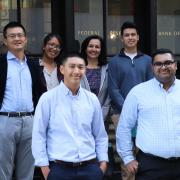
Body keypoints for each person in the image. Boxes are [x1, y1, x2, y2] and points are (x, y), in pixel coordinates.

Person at [32, 53, 108, 180]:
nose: (76, 71)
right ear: (62, 69)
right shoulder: (48, 99)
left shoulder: (92, 99)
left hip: (90, 168)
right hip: (59, 169)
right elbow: (38, 135)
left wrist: (103, 164)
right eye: (72, 66)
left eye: (81, 67)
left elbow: (100, 135)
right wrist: (45, 169)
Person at [116, 48, 180, 180]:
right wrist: (128, 158)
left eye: (168, 62)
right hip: (150, 166)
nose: (163, 67)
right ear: (152, 67)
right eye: (158, 64)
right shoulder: (138, 92)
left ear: (175, 65)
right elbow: (124, 127)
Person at [0, 22, 45, 180]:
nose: (17, 38)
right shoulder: (1, 63)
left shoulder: (33, 65)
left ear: (25, 39)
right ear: (5, 40)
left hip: (29, 121)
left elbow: (40, 92)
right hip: (5, 120)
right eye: (12, 36)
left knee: (27, 171)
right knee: (2, 170)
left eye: (20, 35)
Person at [108, 21, 153, 180]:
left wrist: (140, 109)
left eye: (133, 34)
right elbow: (113, 90)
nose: (130, 37)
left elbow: (151, 86)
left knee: (144, 153)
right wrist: (128, 109)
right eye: (127, 35)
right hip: (120, 114)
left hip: (144, 114)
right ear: (121, 38)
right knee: (125, 157)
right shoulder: (114, 62)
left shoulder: (148, 60)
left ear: (138, 37)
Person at [80, 35, 110, 122]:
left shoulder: (108, 69)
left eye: (97, 47)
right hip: (81, 118)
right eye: (90, 46)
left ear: (101, 50)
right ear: (85, 48)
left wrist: (100, 117)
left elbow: (109, 97)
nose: (93, 49)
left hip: (102, 119)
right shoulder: (78, 68)